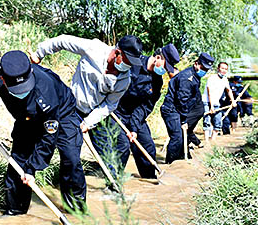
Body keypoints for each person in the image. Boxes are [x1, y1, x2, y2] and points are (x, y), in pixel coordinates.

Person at [0, 51, 87, 213]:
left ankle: (76, 210)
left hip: (61, 114)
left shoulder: (46, 94)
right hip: (26, 118)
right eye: (17, 88)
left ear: (31, 72)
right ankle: (16, 211)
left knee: (71, 158)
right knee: (18, 161)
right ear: (3, 79)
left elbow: (49, 137)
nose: (21, 92)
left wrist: (32, 168)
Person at [29, 35, 142, 182]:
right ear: (117, 52)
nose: (128, 66)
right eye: (127, 61)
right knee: (71, 153)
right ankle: (47, 176)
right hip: (71, 107)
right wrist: (39, 54)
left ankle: (112, 186)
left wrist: (89, 123)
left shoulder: (124, 80)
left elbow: (110, 104)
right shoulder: (94, 48)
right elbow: (62, 41)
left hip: (95, 112)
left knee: (115, 151)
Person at [112, 43, 180, 179]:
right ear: (158, 57)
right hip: (117, 112)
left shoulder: (157, 82)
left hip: (135, 115)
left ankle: (150, 179)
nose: (165, 71)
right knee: (123, 146)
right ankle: (113, 182)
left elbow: (146, 106)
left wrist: (134, 128)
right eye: (165, 67)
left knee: (148, 146)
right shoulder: (133, 64)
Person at [160, 53, 215, 164]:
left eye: (206, 69)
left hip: (178, 109)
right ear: (196, 64)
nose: (204, 71)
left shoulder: (195, 76)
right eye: (203, 68)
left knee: (181, 136)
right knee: (177, 137)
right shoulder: (187, 78)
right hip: (171, 109)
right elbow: (182, 100)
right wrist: (184, 119)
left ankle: (182, 161)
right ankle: (170, 165)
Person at [203, 62, 235, 140]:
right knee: (207, 121)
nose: (224, 70)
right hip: (207, 102)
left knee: (218, 123)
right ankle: (206, 141)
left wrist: (233, 101)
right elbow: (209, 92)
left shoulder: (225, 79)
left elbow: (229, 90)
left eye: (226, 69)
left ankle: (213, 141)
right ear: (218, 69)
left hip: (216, 103)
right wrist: (211, 106)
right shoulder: (212, 78)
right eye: (222, 68)